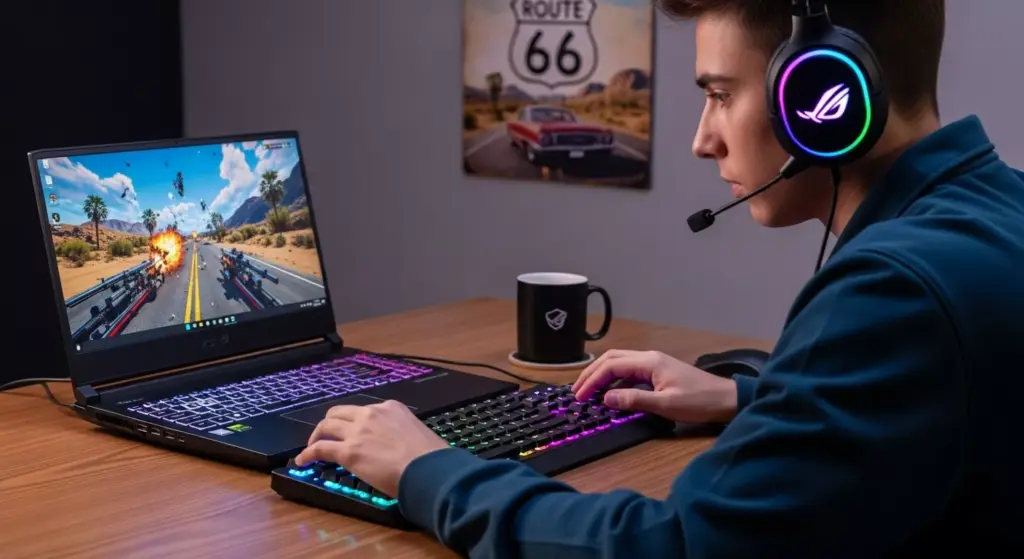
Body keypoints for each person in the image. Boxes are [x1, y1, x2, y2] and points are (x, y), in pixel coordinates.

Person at [296, 0, 1024, 556]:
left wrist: (429, 468)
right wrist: (747, 397)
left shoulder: (894, 290)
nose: (703, 140)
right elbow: (942, 404)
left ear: (821, 94)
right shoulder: (997, 212)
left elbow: (673, 546)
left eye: (720, 94)